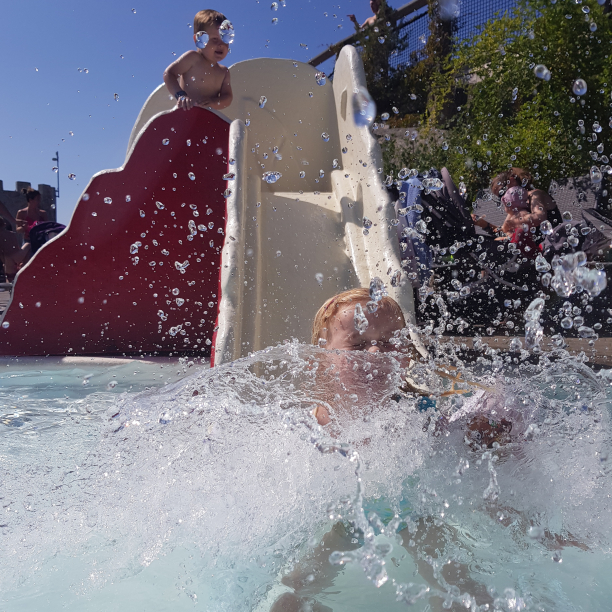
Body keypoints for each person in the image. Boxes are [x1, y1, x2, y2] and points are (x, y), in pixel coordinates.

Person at [163, 10, 233, 112]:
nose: (221, 44)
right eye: (214, 39)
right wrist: (181, 96)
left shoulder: (224, 72)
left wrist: (213, 102)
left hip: (207, 118)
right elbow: (169, 74)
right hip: (185, 113)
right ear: (198, 39)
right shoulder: (192, 58)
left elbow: (227, 98)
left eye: (225, 39)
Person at [0, 217, 31, 282]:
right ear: (4, 224)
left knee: (10, 277)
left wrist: (4, 262)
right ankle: (24, 263)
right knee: (28, 244)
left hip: (7, 258)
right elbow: (16, 246)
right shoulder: (11, 234)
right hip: (16, 255)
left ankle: (10, 287)